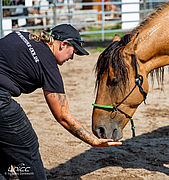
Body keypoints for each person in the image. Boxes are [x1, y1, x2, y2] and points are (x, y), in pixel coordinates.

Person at [0, 24, 122, 179]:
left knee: (5, 142)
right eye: (74, 51)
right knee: (26, 146)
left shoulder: (22, 35)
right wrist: (93, 141)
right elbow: (63, 117)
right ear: (64, 44)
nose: (72, 57)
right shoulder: (48, 65)